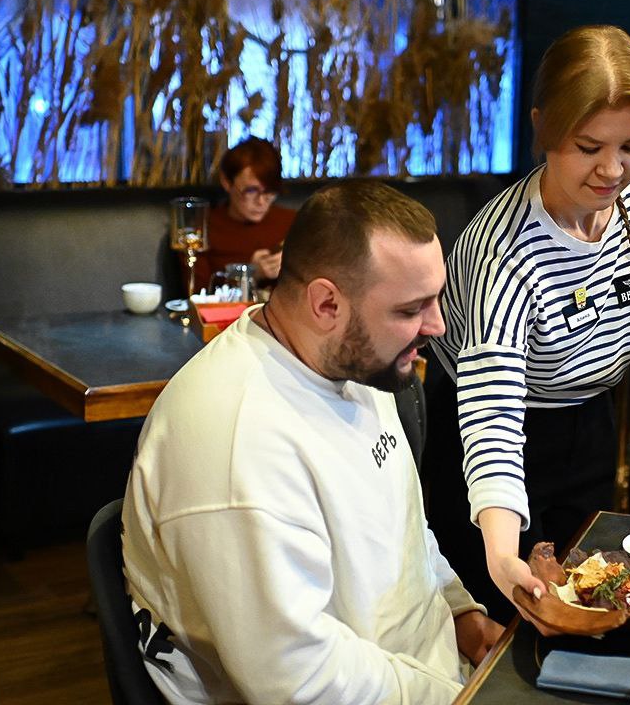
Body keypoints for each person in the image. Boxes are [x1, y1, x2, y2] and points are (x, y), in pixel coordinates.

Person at [123, 181, 502, 704]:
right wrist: (456, 694)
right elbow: (301, 681)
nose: (436, 326)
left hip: (433, 673)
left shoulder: (352, 361)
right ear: (326, 303)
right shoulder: (238, 442)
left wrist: (461, 617)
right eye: (411, 309)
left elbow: (405, 529)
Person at [423, 25, 630, 621]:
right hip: (496, 431)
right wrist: (499, 552)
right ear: (543, 128)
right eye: (589, 147)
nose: (613, 170)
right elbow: (492, 411)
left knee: (589, 597)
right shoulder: (505, 250)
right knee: (507, 620)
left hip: (589, 419)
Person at [193, 137, 295, 290]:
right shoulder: (203, 228)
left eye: (270, 191)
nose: (261, 201)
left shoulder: (293, 222)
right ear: (227, 182)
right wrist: (249, 274)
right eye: (251, 190)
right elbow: (197, 294)